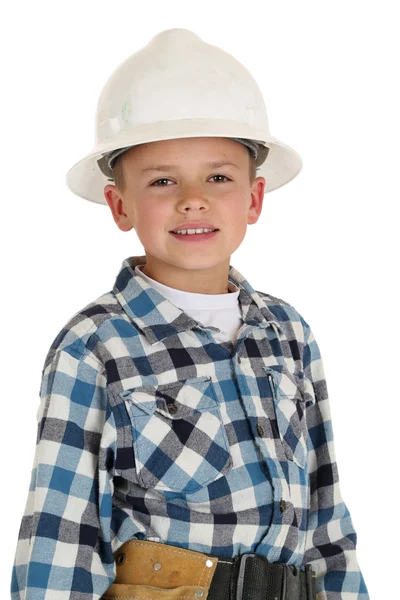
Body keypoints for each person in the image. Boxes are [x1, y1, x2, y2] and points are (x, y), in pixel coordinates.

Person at [10, 28, 370, 600]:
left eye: (219, 177)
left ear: (254, 199)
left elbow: (326, 517)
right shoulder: (95, 345)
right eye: (162, 181)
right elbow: (60, 530)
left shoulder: (289, 334)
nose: (192, 198)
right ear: (119, 204)